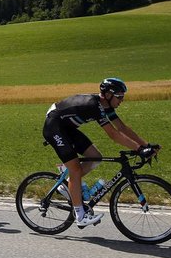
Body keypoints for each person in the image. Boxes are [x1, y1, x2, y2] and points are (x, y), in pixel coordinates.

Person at [44, 78, 156, 228]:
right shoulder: (94, 106)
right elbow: (113, 135)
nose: (122, 100)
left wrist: (146, 145)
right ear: (109, 95)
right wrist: (139, 149)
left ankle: (68, 185)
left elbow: (122, 128)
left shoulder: (104, 106)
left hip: (67, 128)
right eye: (120, 96)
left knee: (96, 157)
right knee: (76, 169)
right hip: (54, 127)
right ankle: (80, 215)